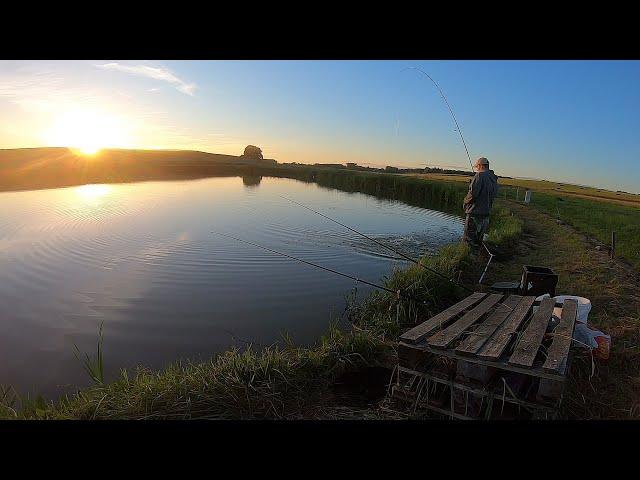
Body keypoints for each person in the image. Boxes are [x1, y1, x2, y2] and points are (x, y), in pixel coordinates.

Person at [462, 157, 498, 246]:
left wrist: (465, 202)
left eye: (477, 166)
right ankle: (478, 257)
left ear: (481, 165)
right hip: (486, 214)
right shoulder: (493, 179)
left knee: (469, 241)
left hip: (475, 213)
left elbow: (472, 194)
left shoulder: (479, 175)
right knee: (479, 241)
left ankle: (467, 258)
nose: (477, 169)